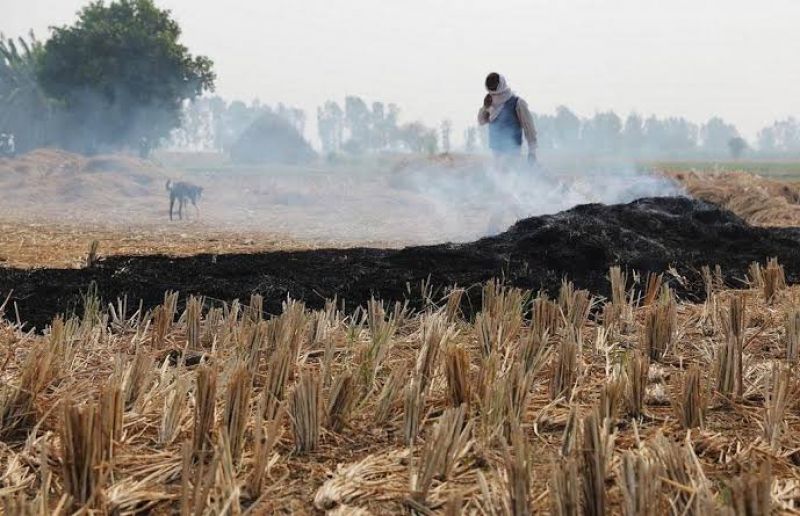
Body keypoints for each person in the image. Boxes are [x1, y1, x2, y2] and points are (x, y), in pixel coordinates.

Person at [477, 73, 537, 167]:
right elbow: (481, 121)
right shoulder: (490, 103)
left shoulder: (517, 103)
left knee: (510, 174)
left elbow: (529, 128)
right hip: (496, 153)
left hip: (512, 152)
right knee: (498, 174)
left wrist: (532, 151)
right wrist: (485, 107)